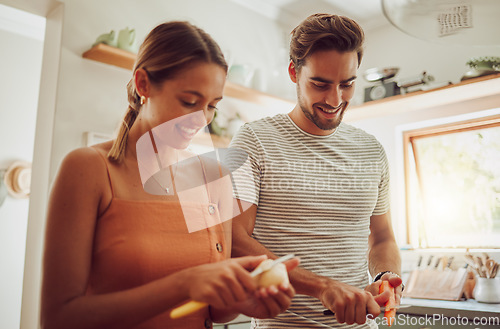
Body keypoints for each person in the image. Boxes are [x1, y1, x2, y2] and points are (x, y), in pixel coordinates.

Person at [40, 21, 299, 329]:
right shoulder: (89, 169)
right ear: (143, 84)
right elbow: (59, 318)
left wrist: (240, 302)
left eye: (212, 106)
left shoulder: (213, 176)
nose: (201, 120)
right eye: (189, 102)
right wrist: (183, 284)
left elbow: (209, 312)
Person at [229, 13, 403, 329]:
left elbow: (382, 237)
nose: (335, 99)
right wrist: (322, 287)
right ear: (294, 72)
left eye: (347, 84)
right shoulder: (254, 140)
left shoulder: (372, 150)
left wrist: (386, 276)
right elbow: (234, 239)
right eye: (320, 84)